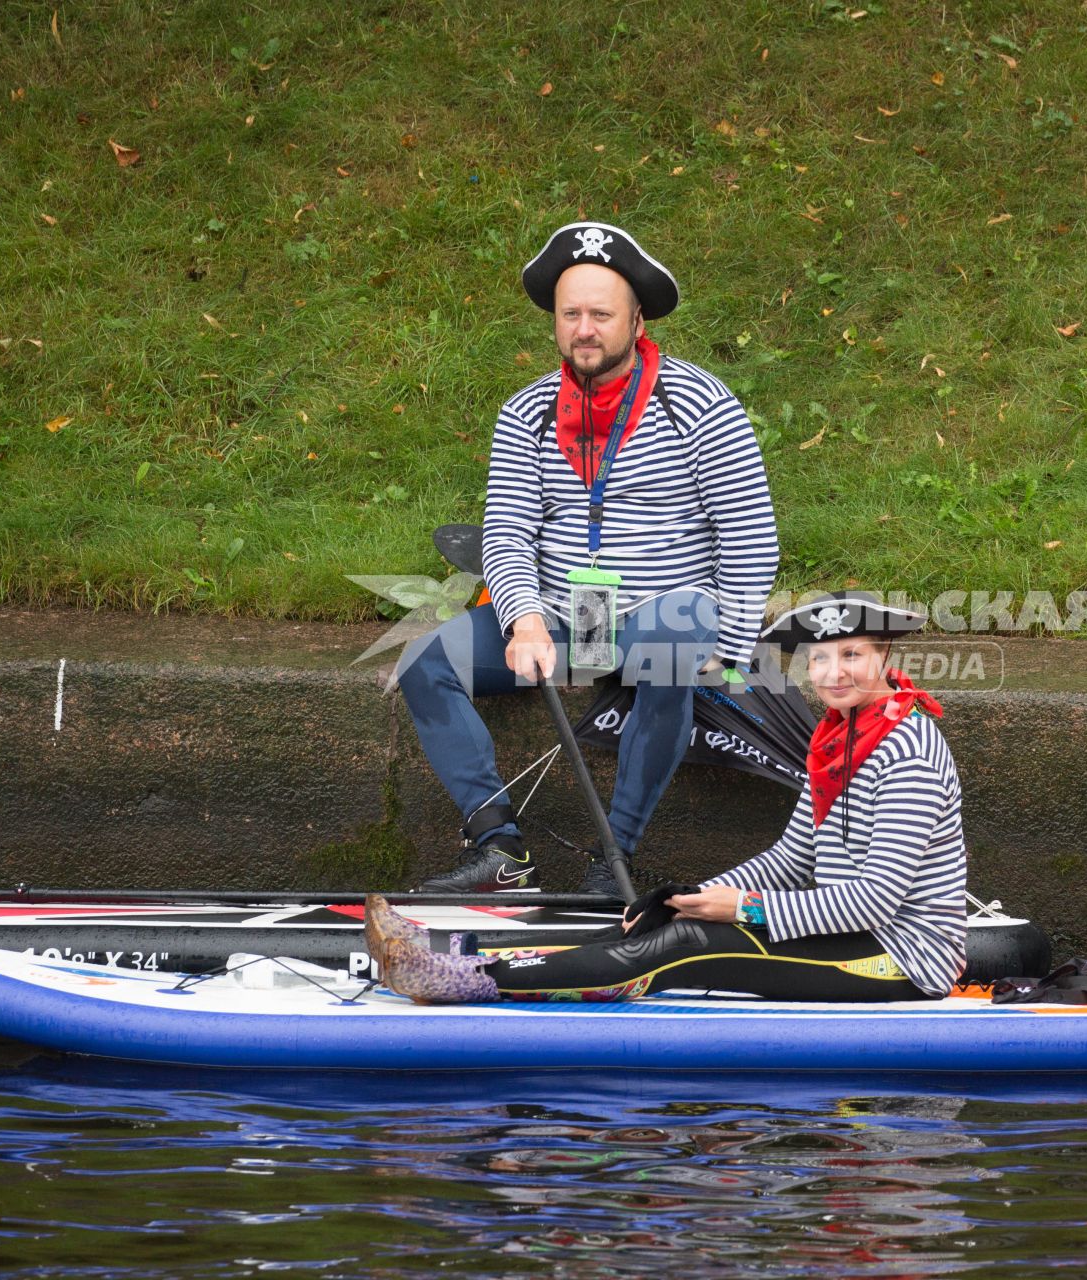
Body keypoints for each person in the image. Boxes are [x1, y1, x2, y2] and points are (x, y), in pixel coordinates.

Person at [394, 223, 779, 895]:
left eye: (601, 313)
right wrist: (524, 621)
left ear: (636, 318)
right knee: (424, 665)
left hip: (660, 615)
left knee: (672, 639)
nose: (585, 329)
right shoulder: (525, 412)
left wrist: (734, 647)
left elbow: (749, 535)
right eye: (570, 313)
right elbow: (507, 534)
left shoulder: (701, 404)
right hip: (563, 619)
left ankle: (616, 858)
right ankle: (499, 849)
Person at [367, 593, 968, 1003]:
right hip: (850, 934)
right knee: (662, 919)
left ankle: (471, 982)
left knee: (683, 946)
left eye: (852, 656)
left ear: (886, 659)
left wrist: (742, 910)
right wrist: (697, 897)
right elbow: (792, 860)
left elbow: (876, 900)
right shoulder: (838, 739)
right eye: (820, 659)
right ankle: (445, 952)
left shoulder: (905, 750)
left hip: (903, 957)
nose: (834, 673)